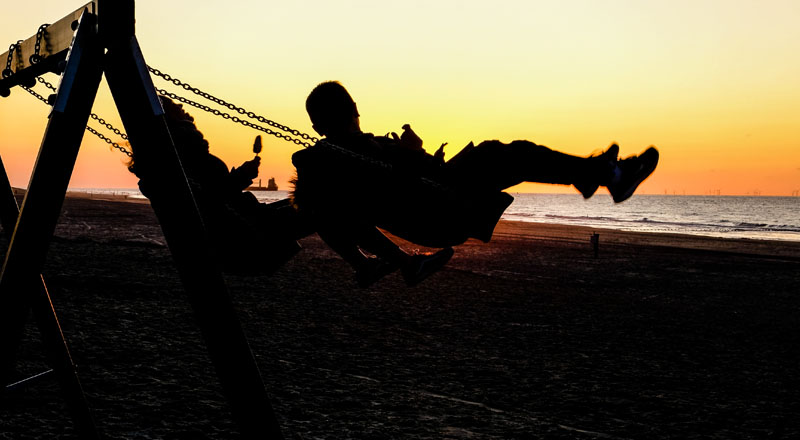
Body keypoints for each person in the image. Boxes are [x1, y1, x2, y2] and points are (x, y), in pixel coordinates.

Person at [291, 81, 659, 286]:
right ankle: (606, 175)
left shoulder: (364, 148)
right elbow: (326, 212)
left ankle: (604, 174)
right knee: (506, 154)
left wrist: (418, 154)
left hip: (439, 198)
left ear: (317, 124)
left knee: (511, 153)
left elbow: (411, 177)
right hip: (439, 211)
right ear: (353, 108)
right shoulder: (323, 160)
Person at [129, 96, 312, 274]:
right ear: (168, 117)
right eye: (174, 105)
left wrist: (241, 176)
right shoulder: (184, 149)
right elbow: (214, 197)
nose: (181, 105)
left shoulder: (168, 158)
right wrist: (241, 177)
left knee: (315, 201)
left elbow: (210, 194)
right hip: (243, 240)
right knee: (323, 205)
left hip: (235, 229)